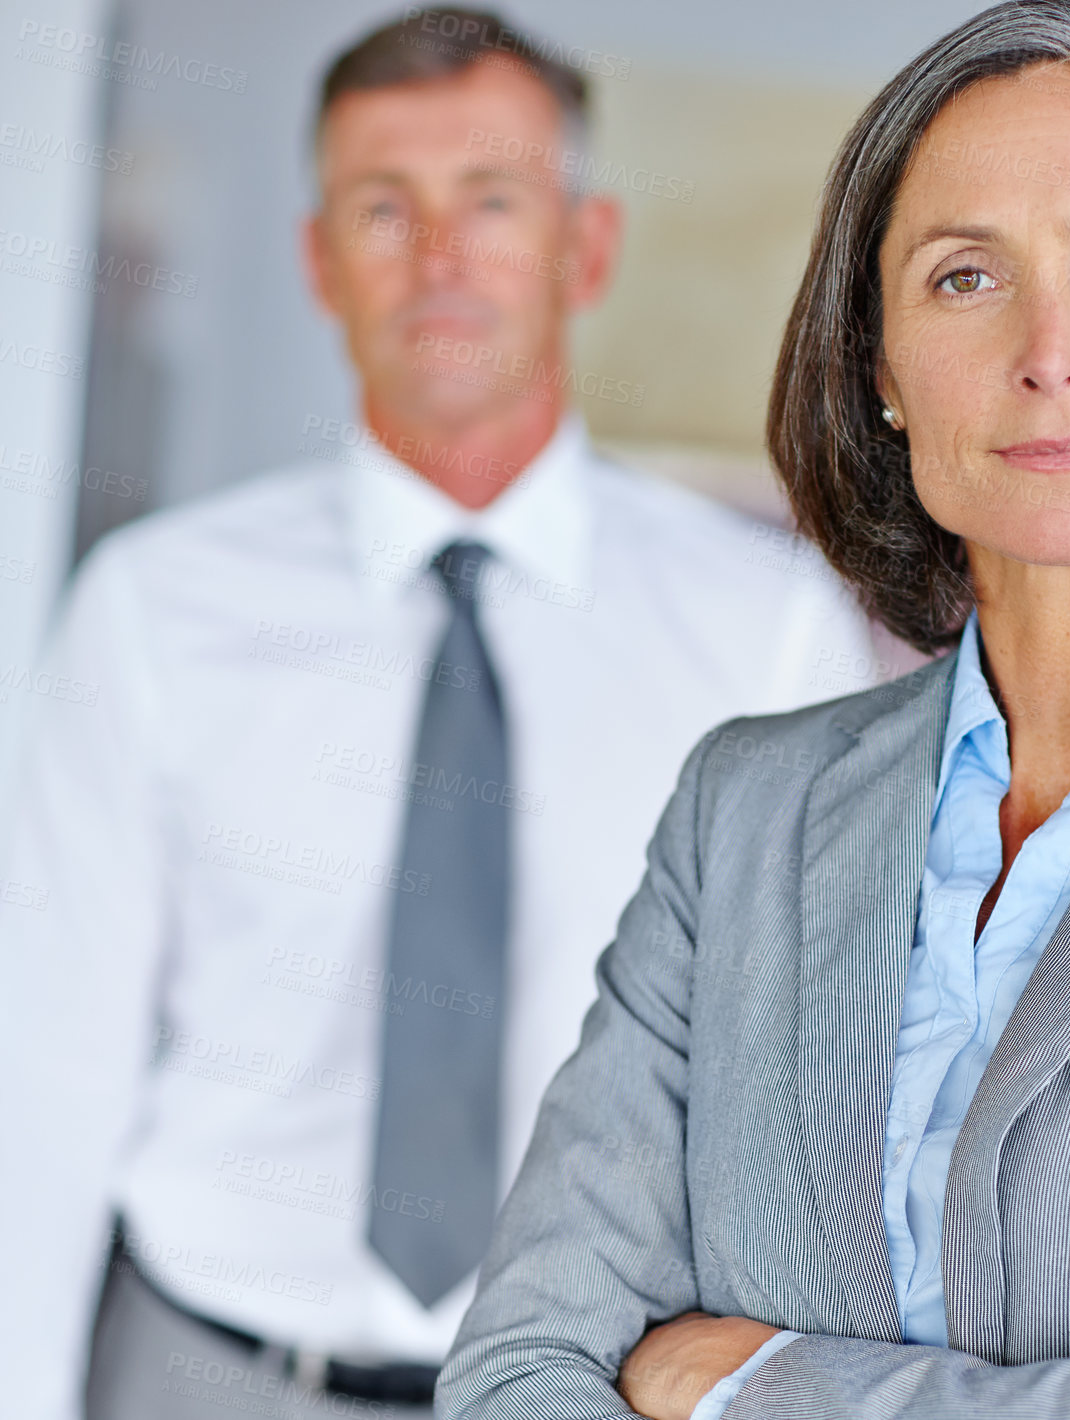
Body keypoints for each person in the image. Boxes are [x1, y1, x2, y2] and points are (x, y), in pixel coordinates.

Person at [438, 2, 1070, 1418]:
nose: (1050, 347)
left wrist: (740, 1376)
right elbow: (517, 1374)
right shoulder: (745, 813)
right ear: (883, 368)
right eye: (965, 278)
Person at [0, 10, 880, 1419]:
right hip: (203, 1371)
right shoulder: (152, 613)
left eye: (492, 201)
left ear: (585, 248)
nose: (440, 257)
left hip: (594, 1385)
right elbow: (41, 1069)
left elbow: (825, 1093)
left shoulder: (765, 635)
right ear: (318, 259)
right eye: (382, 206)